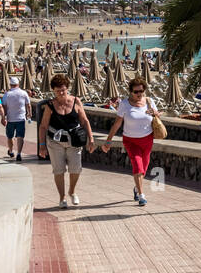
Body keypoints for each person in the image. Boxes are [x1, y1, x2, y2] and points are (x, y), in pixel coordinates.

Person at [37, 75, 95, 208]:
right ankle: (62, 197)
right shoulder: (50, 105)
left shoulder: (76, 101)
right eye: (58, 91)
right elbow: (43, 126)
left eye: (63, 90)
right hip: (55, 142)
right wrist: (42, 145)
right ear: (53, 91)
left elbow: (85, 121)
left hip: (74, 141)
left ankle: (72, 191)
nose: (61, 93)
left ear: (67, 88)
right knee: (58, 170)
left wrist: (91, 138)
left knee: (76, 169)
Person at [101, 76, 160, 207]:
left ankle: (136, 188)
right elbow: (117, 123)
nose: (139, 94)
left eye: (141, 91)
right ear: (131, 92)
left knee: (144, 168)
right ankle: (141, 195)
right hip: (131, 141)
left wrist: (155, 113)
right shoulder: (125, 104)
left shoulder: (149, 101)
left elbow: (157, 116)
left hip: (147, 139)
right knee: (138, 166)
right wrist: (108, 141)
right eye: (136, 92)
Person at [3, 77, 31, 161]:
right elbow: (28, 105)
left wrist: (3, 117)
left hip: (10, 119)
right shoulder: (23, 93)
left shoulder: (7, 94)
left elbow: (4, 107)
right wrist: (29, 114)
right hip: (21, 118)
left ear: (10, 85)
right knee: (20, 137)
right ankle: (19, 153)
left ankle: (11, 151)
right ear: (18, 84)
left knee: (10, 136)